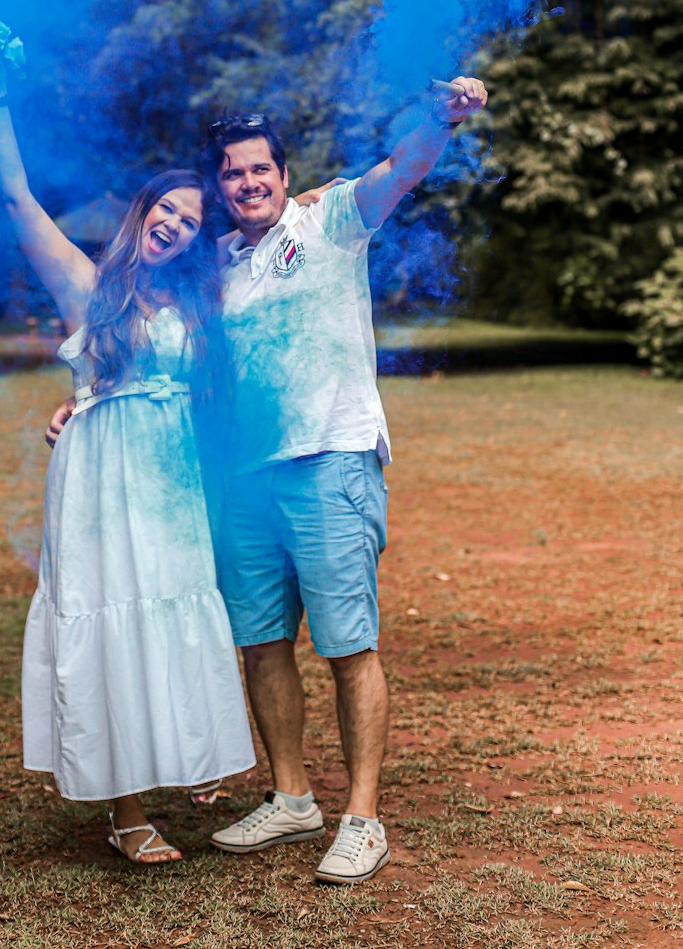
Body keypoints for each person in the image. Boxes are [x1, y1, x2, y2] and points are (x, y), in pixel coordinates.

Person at [200, 77, 488, 883]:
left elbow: (401, 169)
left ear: (284, 176)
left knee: (348, 645)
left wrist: (439, 116)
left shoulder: (331, 219)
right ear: (218, 185)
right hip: (244, 479)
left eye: (261, 169)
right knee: (261, 644)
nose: (248, 183)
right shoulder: (218, 261)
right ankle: (291, 798)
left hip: (329, 461)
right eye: (232, 172)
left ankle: (363, 816)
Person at [0, 86, 255, 864]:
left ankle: (191, 757)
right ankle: (127, 811)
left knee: (174, 609)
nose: (176, 225)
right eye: (167, 211)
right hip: (103, 478)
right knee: (114, 617)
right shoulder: (85, 285)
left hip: (173, 474)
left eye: (191, 221)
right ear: (142, 212)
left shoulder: (201, 296)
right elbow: (16, 195)